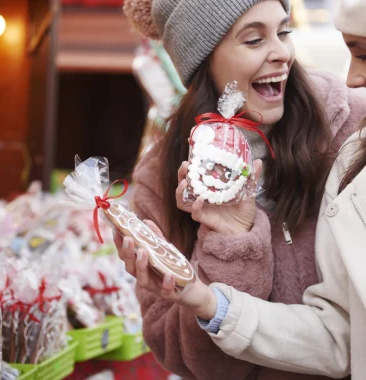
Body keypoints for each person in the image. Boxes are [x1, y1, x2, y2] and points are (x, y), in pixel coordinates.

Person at [117, 0, 366, 379]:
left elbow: (343, 336)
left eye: (284, 32)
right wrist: (229, 248)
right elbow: (190, 360)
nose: (282, 52)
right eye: (253, 40)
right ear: (202, 61)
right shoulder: (162, 177)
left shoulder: (353, 129)